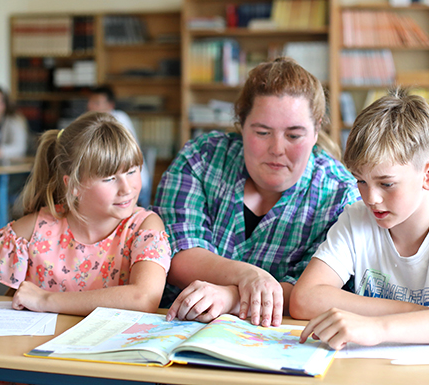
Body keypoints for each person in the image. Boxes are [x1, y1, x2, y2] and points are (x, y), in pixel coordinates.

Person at [290, 89, 429, 350]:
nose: (371, 198)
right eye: (361, 180)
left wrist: (379, 326)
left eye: (387, 184)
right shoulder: (357, 219)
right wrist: (411, 312)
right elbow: (304, 298)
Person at [153, 57, 360, 327]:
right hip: (177, 324)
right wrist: (248, 276)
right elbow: (178, 253)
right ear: (241, 123)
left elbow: (309, 291)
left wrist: (230, 296)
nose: (277, 148)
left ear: (316, 128)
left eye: (294, 135)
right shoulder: (200, 159)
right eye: (262, 132)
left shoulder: (340, 195)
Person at [0, 112, 171, 322]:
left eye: (132, 171)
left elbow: (144, 298)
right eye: (109, 178)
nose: (127, 188)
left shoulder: (143, 227)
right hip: (31, 360)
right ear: (73, 186)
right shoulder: (36, 229)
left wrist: (47, 300)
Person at [87, 85, 152, 207]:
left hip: (133, 183)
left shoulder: (118, 119)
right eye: (90, 101)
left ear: (110, 105)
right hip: (117, 182)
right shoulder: (94, 121)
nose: (91, 106)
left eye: (96, 102)